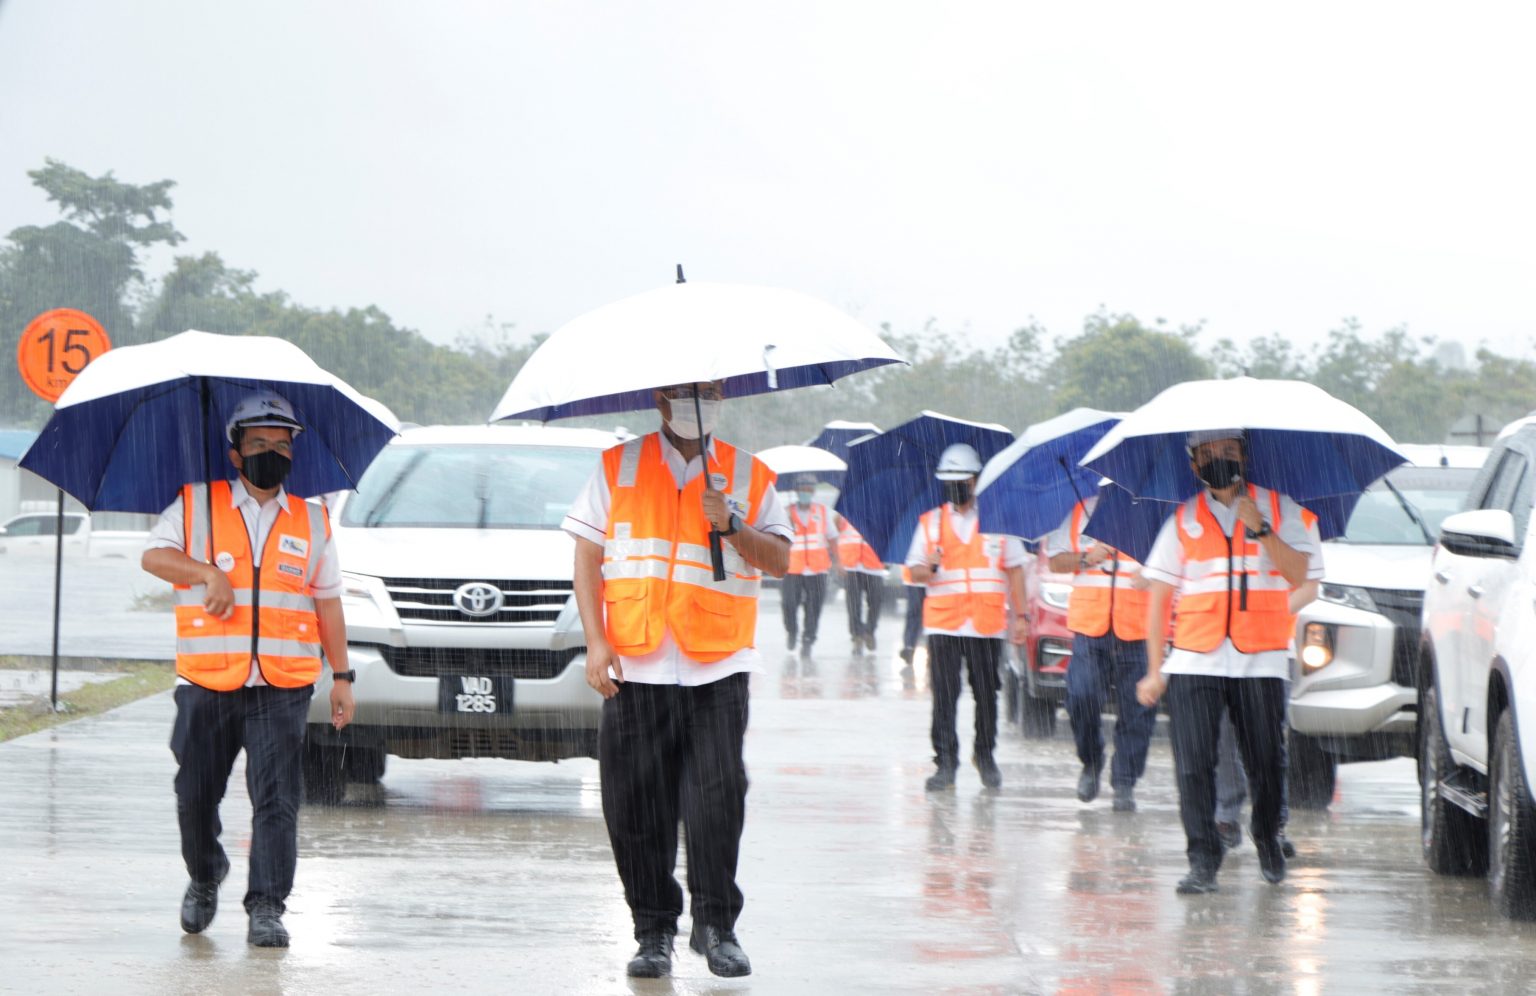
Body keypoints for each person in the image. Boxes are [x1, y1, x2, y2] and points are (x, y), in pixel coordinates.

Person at [564, 381, 791, 980]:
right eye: (689, 390)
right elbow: (586, 557)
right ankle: (653, 931)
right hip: (635, 664)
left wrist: (733, 524)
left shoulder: (750, 473)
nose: (701, 400)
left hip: (717, 662)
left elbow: (781, 561)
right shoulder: (616, 467)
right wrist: (595, 642)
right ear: (659, 398)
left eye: (711, 390)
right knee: (636, 806)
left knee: (717, 799)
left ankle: (717, 927)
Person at [141, 392, 355, 948]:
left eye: (281, 445)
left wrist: (343, 676)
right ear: (235, 453)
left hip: (281, 686)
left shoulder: (313, 520)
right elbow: (155, 556)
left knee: (277, 800)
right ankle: (205, 874)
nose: (271, 454)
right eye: (258, 444)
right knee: (194, 795)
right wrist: (206, 571)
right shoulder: (195, 506)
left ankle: (266, 906)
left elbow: (328, 602)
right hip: (207, 681)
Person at [1136, 430, 1324, 895]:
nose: (1219, 461)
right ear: (1193, 464)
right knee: (1193, 765)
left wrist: (1260, 526)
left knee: (1265, 760)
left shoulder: (1280, 509)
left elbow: (1302, 573)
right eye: (1208, 455)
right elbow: (1158, 599)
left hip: (1259, 660)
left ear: (1245, 457)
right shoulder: (1182, 519)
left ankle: (1266, 837)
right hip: (1194, 660)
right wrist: (1155, 670)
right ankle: (1203, 858)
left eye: (1228, 452)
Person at [906, 443, 1029, 792]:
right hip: (944, 623)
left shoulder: (997, 519)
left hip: (986, 625)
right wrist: (926, 567)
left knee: (987, 695)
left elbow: (1016, 570)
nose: (953, 487)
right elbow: (914, 572)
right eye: (947, 481)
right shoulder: (930, 523)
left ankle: (985, 755)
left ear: (974, 481)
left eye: (959, 481)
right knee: (944, 697)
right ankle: (945, 763)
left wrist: (1021, 616)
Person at [1046, 496, 1156, 812]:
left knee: (1137, 711)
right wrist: (1086, 558)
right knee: (1080, 696)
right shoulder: (1079, 508)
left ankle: (1124, 782)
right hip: (1090, 626)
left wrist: (1153, 574)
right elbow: (1055, 561)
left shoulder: (1150, 509)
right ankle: (1091, 761)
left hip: (1138, 625)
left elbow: (1175, 561)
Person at [783, 475, 839, 657]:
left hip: (817, 568)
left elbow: (832, 538)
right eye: (802, 490)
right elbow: (778, 538)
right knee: (789, 604)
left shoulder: (822, 512)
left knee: (814, 607)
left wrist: (838, 562)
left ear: (813, 492)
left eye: (809, 490)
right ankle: (792, 631)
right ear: (797, 491)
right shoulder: (786, 512)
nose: (805, 493)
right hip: (792, 568)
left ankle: (808, 639)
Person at [835, 512, 886, 654]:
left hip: (873, 564)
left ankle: (869, 632)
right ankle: (857, 636)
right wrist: (840, 561)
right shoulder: (846, 514)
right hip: (851, 564)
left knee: (875, 602)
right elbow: (839, 535)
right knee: (853, 604)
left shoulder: (881, 515)